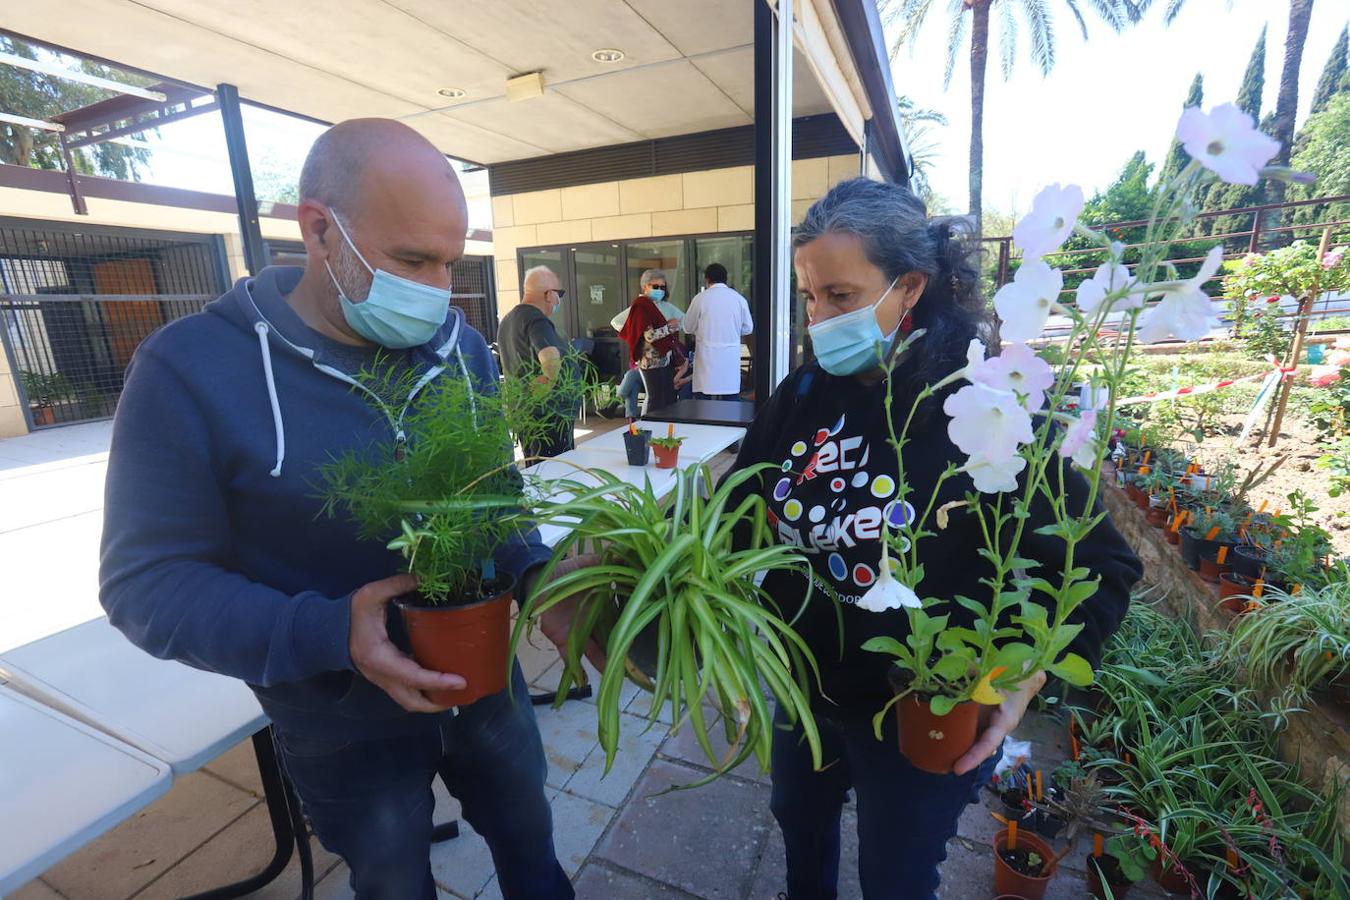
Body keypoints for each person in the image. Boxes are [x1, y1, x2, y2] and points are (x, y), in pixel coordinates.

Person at [99, 119, 594, 900]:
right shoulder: (189, 368)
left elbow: (494, 500)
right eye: (409, 260)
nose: (436, 290)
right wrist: (330, 630)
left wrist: (539, 573)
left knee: (533, 858)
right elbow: (145, 584)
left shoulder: (459, 348)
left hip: (487, 689)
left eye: (449, 263)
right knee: (394, 884)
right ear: (320, 229)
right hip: (341, 725)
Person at [717, 178, 1143, 899]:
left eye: (842, 297)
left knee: (897, 874)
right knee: (799, 821)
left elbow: (1102, 565)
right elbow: (737, 503)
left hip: (925, 706)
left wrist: (1028, 675)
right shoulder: (803, 393)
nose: (819, 319)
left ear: (909, 285)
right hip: (803, 683)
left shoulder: (984, 408)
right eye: (811, 296)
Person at [498, 264, 576, 458]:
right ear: (549, 294)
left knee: (537, 468)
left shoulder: (508, 320)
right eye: (560, 294)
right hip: (549, 418)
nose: (559, 300)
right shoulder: (536, 319)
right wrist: (548, 380)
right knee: (557, 471)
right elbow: (549, 354)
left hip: (526, 413)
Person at [611, 269, 682, 419]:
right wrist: (670, 327)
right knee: (655, 398)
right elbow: (649, 335)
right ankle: (648, 428)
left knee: (666, 397)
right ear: (645, 286)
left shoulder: (655, 305)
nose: (660, 290)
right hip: (650, 361)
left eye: (663, 287)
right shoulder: (641, 306)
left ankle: (662, 429)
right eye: (656, 287)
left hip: (662, 359)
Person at [681, 262, 752, 400]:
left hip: (706, 360)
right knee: (731, 403)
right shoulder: (738, 299)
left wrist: (699, 329)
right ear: (727, 279)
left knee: (703, 404)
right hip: (729, 360)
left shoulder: (700, 298)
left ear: (707, 279)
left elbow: (688, 326)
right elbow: (748, 328)